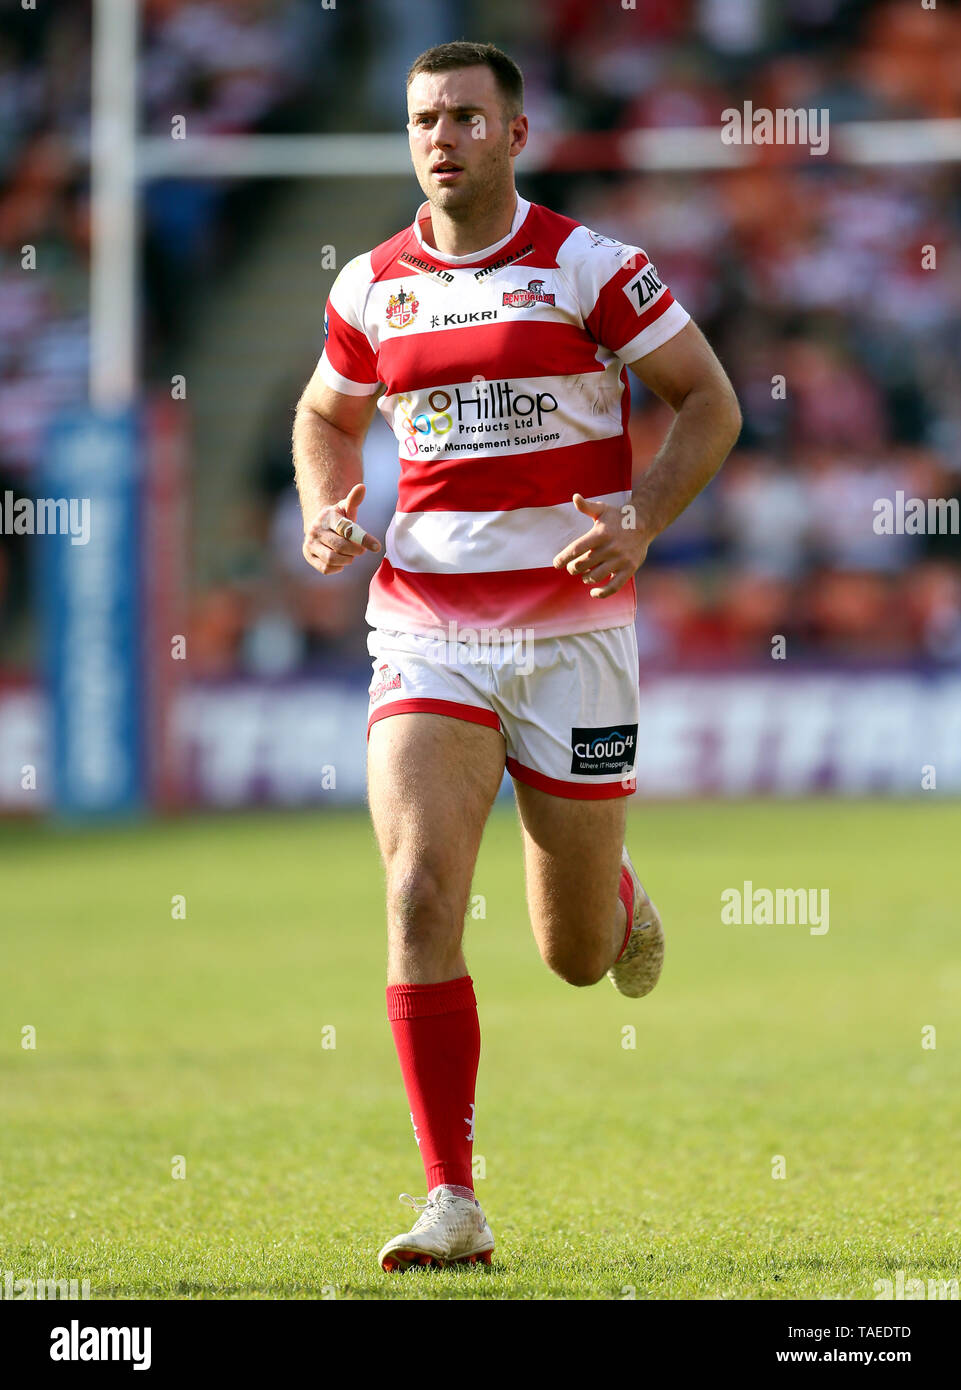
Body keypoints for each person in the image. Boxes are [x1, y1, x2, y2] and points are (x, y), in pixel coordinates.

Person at [292, 40, 741, 1272]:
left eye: (465, 118)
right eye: (423, 119)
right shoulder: (372, 286)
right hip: (426, 627)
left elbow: (710, 400)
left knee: (576, 956)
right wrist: (325, 504)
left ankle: (615, 892)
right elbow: (324, 413)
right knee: (417, 892)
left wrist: (641, 518)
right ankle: (453, 1198)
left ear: (517, 134)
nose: (442, 137)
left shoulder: (592, 269)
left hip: (572, 639)